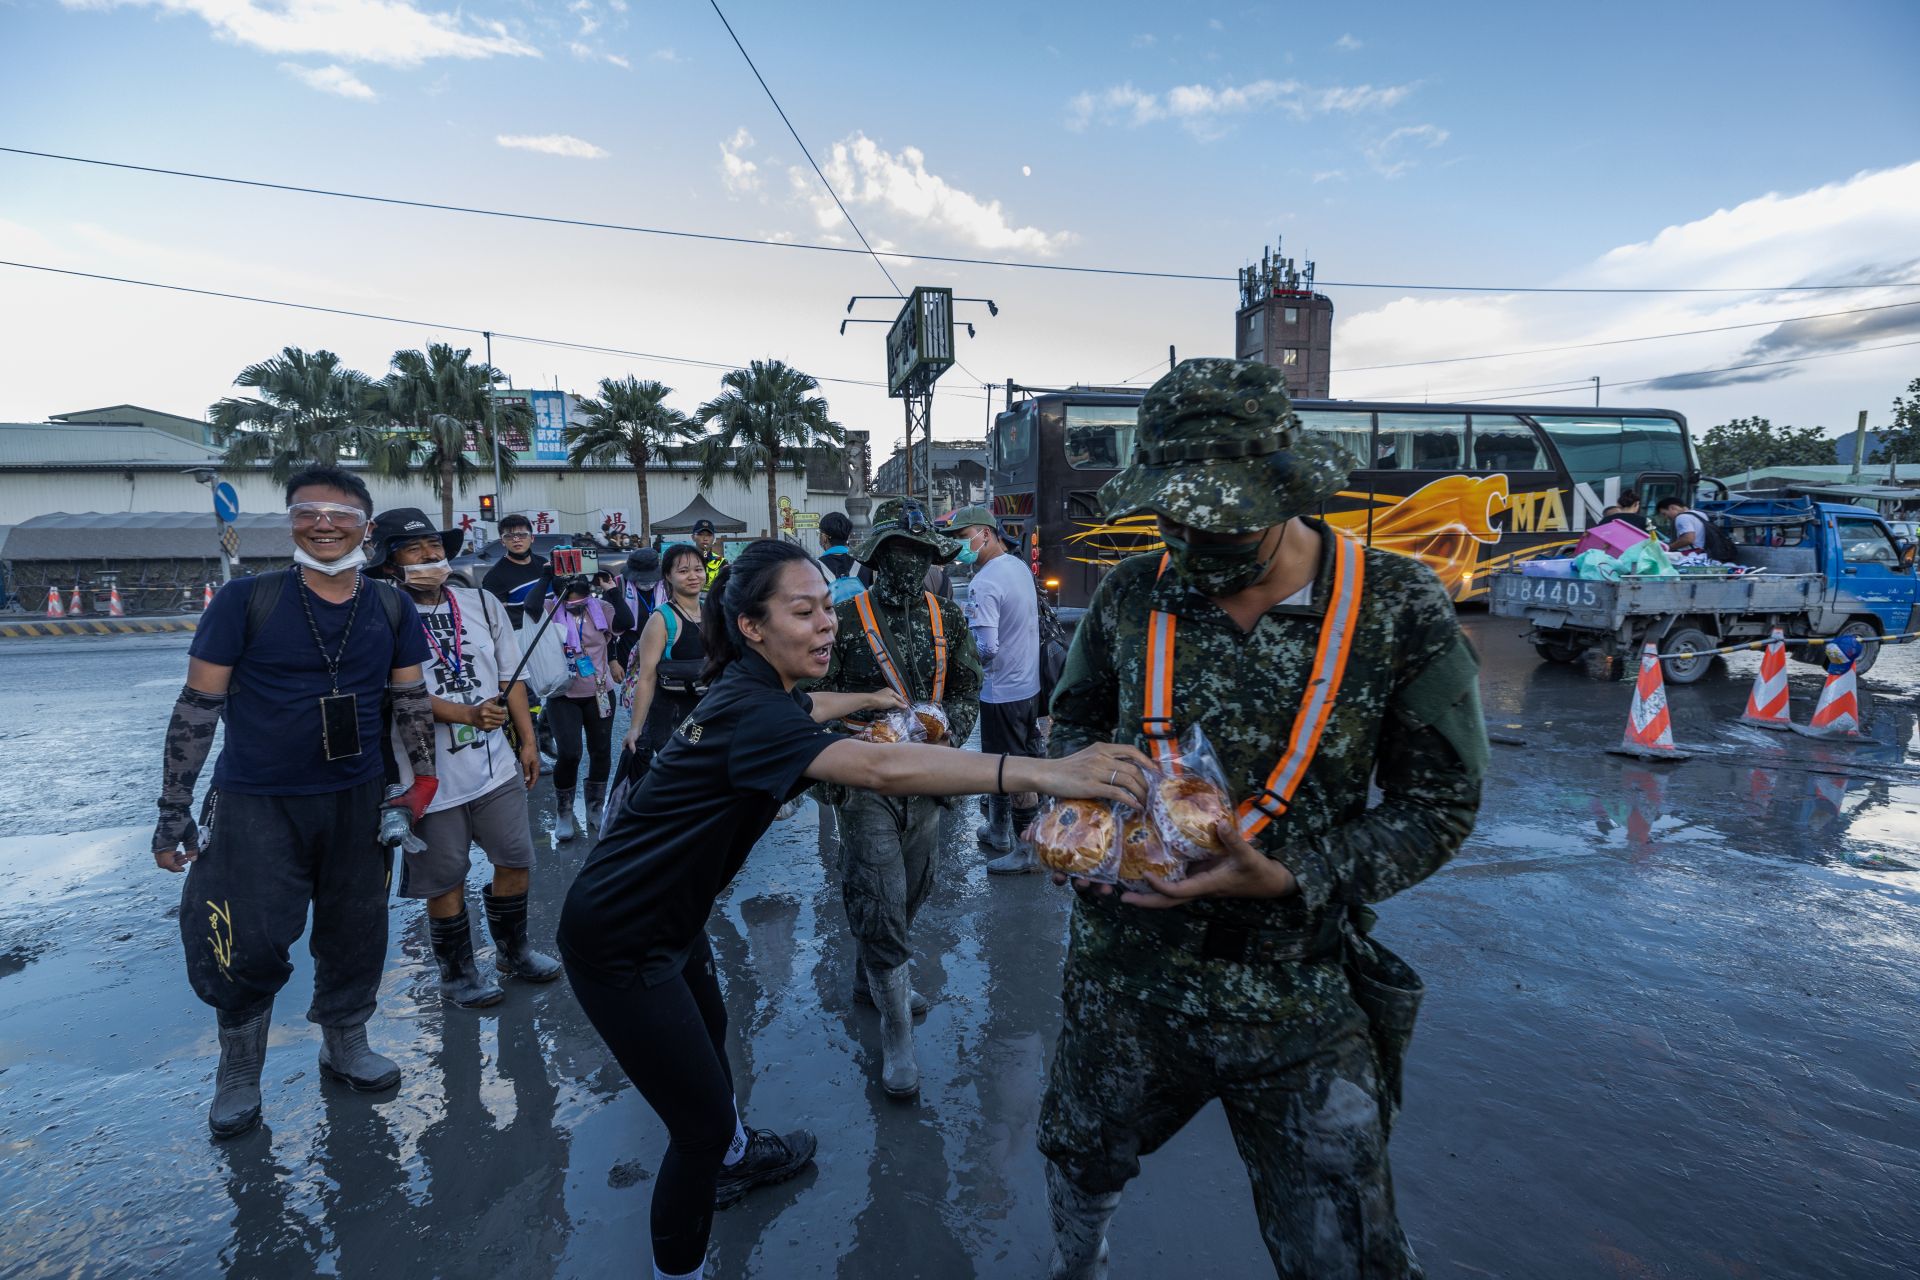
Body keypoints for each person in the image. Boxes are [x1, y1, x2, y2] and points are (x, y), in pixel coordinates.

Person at [556, 538, 1149, 1280]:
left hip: (668, 922)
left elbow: (812, 706)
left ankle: (739, 1154)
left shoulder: (755, 691)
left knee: (711, 1046)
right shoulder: (755, 715)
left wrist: (869, 697)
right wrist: (1044, 770)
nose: (827, 625)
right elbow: (882, 766)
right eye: (803, 612)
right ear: (751, 625)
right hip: (620, 940)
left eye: (824, 609)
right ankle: (683, 1259)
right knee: (697, 1128)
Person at [1037, 358, 1488, 1279]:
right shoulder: (1130, 596)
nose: (1193, 534)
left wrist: (1290, 878)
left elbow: (1439, 803)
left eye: (1223, 513)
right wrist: (1075, 825)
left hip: (1299, 991)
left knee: (1348, 1253)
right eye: (1173, 512)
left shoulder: (1398, 606)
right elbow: (1075, 731)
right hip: (1125, 976)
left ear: (1287, 489)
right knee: (1080, 1163)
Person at [151, 466, 439, 1139]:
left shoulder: (391, 607)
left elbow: (410, 701)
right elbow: (198, 704)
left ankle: (345, 1043)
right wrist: (173, 805)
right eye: (308, 510)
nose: (324, 523)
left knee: (357, 930)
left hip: (357, 798)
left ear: (366, 528)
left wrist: (418, 786)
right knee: (243, 939)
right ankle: (239, 1071)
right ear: (290, 521)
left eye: (341, 514)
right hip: (258, 800)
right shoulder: (246, 600)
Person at [812, 498, 982, 1097]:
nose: (910, 565)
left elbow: (967, 686)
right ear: (878, 557)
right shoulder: (845, 619)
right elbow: (815, 695)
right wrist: (859, 728)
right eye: (898, 553)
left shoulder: (948, 617)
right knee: (878, 893)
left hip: (929, 775)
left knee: (915, 886)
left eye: (921, 554)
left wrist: (946, 724)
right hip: (864, 780)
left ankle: (874, 975)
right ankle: (897, 1036)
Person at [368, 508, 561, 1010]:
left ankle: (513, 952)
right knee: (445, 875)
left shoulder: (480, 602)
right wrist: (465, 714)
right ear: (391, 564)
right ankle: (457, 973)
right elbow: (393, 690)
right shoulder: (382, 612)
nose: (431, 556)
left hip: (494, 765)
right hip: (425, 775)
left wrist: (528, 740)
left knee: (515, 859)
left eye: (435, 546)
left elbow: (509, 675)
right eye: (414, 550)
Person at [947, 504, 1045, 874]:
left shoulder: (984, 582)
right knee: (1003, 764)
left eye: (962, 536)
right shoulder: (1017, 567)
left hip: (1001, 690)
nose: (960, 546)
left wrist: (962, 666)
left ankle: (1027, 850)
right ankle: (999, 830)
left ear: (984, 534)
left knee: (1013, 772)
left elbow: (986, 648)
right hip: (1027, 685)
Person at [548, 576, 623, 841]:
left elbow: (625, 622)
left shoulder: (601, 608)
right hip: (562, 693)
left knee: (601, 750)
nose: (575, 603)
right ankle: (564, 811)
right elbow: (528, 610)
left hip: (600, 691)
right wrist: (548, 577)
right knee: (569, 753)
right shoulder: (548, 608)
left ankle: (595, 808)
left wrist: (611, 589)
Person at [622, 543, 710, 760]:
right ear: (668, 577)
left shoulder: (713, 612)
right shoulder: (661, 620)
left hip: (708, 715)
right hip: (671, 720)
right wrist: (636, 728)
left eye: (698, 569)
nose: (693, 576)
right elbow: (647, 677)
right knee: (685, 780)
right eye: (683, 571)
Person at [481, 514, 553, 627]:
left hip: (552, 629)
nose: (516, 539)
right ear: (502, 541)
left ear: (532, 538)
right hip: (521, 638)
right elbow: (496, 620)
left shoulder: (543, 563)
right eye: (509, 536)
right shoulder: (494, 577)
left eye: (522, 535)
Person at [610, 548, 665, 668]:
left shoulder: (667, 585)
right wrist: (612, 660)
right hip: (627, 649)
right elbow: (607, 628)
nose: (647, 582)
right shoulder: (618, 585)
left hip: (660, 646)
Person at [817, 511, 866, 604]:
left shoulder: (815, 568)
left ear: (824, 538)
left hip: (832, 618)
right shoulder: (865, 563)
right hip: (864, 617)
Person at [693, 519, 725, 593]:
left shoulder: (721, 562)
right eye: (700, 534)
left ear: (713, 538)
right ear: (693, 537)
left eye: (709, 535)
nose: (705, 538)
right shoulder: (684, 560)